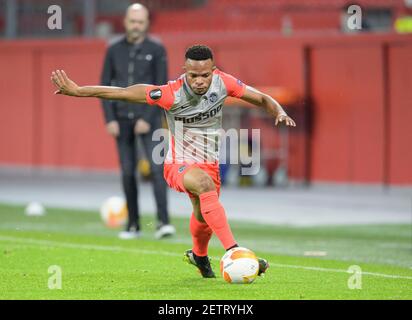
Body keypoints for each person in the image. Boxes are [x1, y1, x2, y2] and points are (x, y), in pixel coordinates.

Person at [50, 45, 296, 278]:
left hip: (209, 163)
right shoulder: (170, 93)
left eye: (205, 75)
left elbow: (262, 98)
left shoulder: (224, 83)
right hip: (178, 164)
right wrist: (79, 90)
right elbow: (123, 93)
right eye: (193, 75)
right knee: (203, 185)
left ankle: (199, 256)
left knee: (203, 217)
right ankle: (234, 251)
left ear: (213, 71)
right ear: (184, 71)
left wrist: (279, 111)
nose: (199, 81)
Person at [100, 3, 174, 240]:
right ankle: (133, 224)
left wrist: (147, 117)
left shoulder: (157, 49)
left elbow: (162, 87)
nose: (136, 26)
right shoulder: (113, 50)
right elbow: (104, 86)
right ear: (125, 22)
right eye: (133, 21)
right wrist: (109, 119)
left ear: (146, 24)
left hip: (149, 119)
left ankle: (163, 222)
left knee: (157, 169)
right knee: (127, 172)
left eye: (140, 22)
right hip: (121, 120)